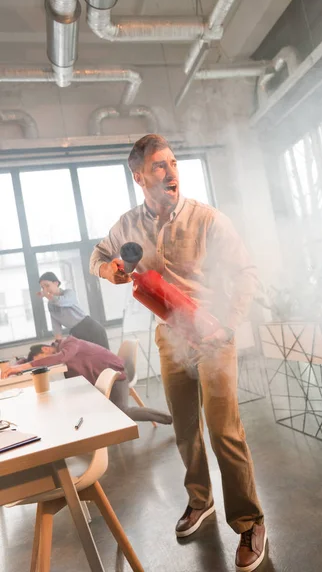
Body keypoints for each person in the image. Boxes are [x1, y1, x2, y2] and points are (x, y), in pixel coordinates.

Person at [89, 134, 266, 571]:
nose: (171, 172)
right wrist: (110, 271)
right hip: (170, 337)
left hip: (212, 334)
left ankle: (249, 521)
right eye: (158, 167)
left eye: (172, 163)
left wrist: (228, 325)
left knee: (224, 430)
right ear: (139, 177)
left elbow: (246, 273)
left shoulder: (208, 220)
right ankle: (198, 500)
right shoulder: (127, 225)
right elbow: (97, 256)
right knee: (185, 429)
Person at [3, 336, 172, 425]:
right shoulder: (61, 348)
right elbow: (31, 359)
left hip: (116, 377)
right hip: (101, 378)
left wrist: (19, 368)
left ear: (47, 349)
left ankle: (170, 419)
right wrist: (15, 366)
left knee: (123, 411)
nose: (46, 360)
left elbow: (58, 358)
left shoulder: (69, 343)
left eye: (43, 357)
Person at [38, 271, 109, 349]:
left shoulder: (69, 293)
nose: (45, 290)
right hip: (75, 332)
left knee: (104, 357)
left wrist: (47, 295)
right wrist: (57, 342)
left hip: (90, 328)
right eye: (42, 287)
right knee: (85, 359)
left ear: (56, 283)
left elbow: (60, 302)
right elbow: (55, 323)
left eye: (47, 286)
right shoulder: (50, 304)